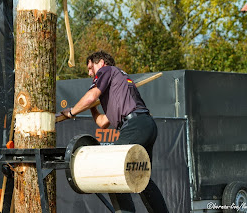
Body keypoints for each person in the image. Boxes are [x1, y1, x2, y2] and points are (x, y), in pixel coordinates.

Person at [61, 50, 169, 213]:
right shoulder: (118, 83)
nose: (90, 73)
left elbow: (90, 97)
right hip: (145, 124)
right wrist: (94, 108)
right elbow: (103, 123)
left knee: (114, 170)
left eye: (91, 67)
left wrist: (71, 112)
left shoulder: (106, 71)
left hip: (135, 125)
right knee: (141, 178)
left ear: (102, 63)